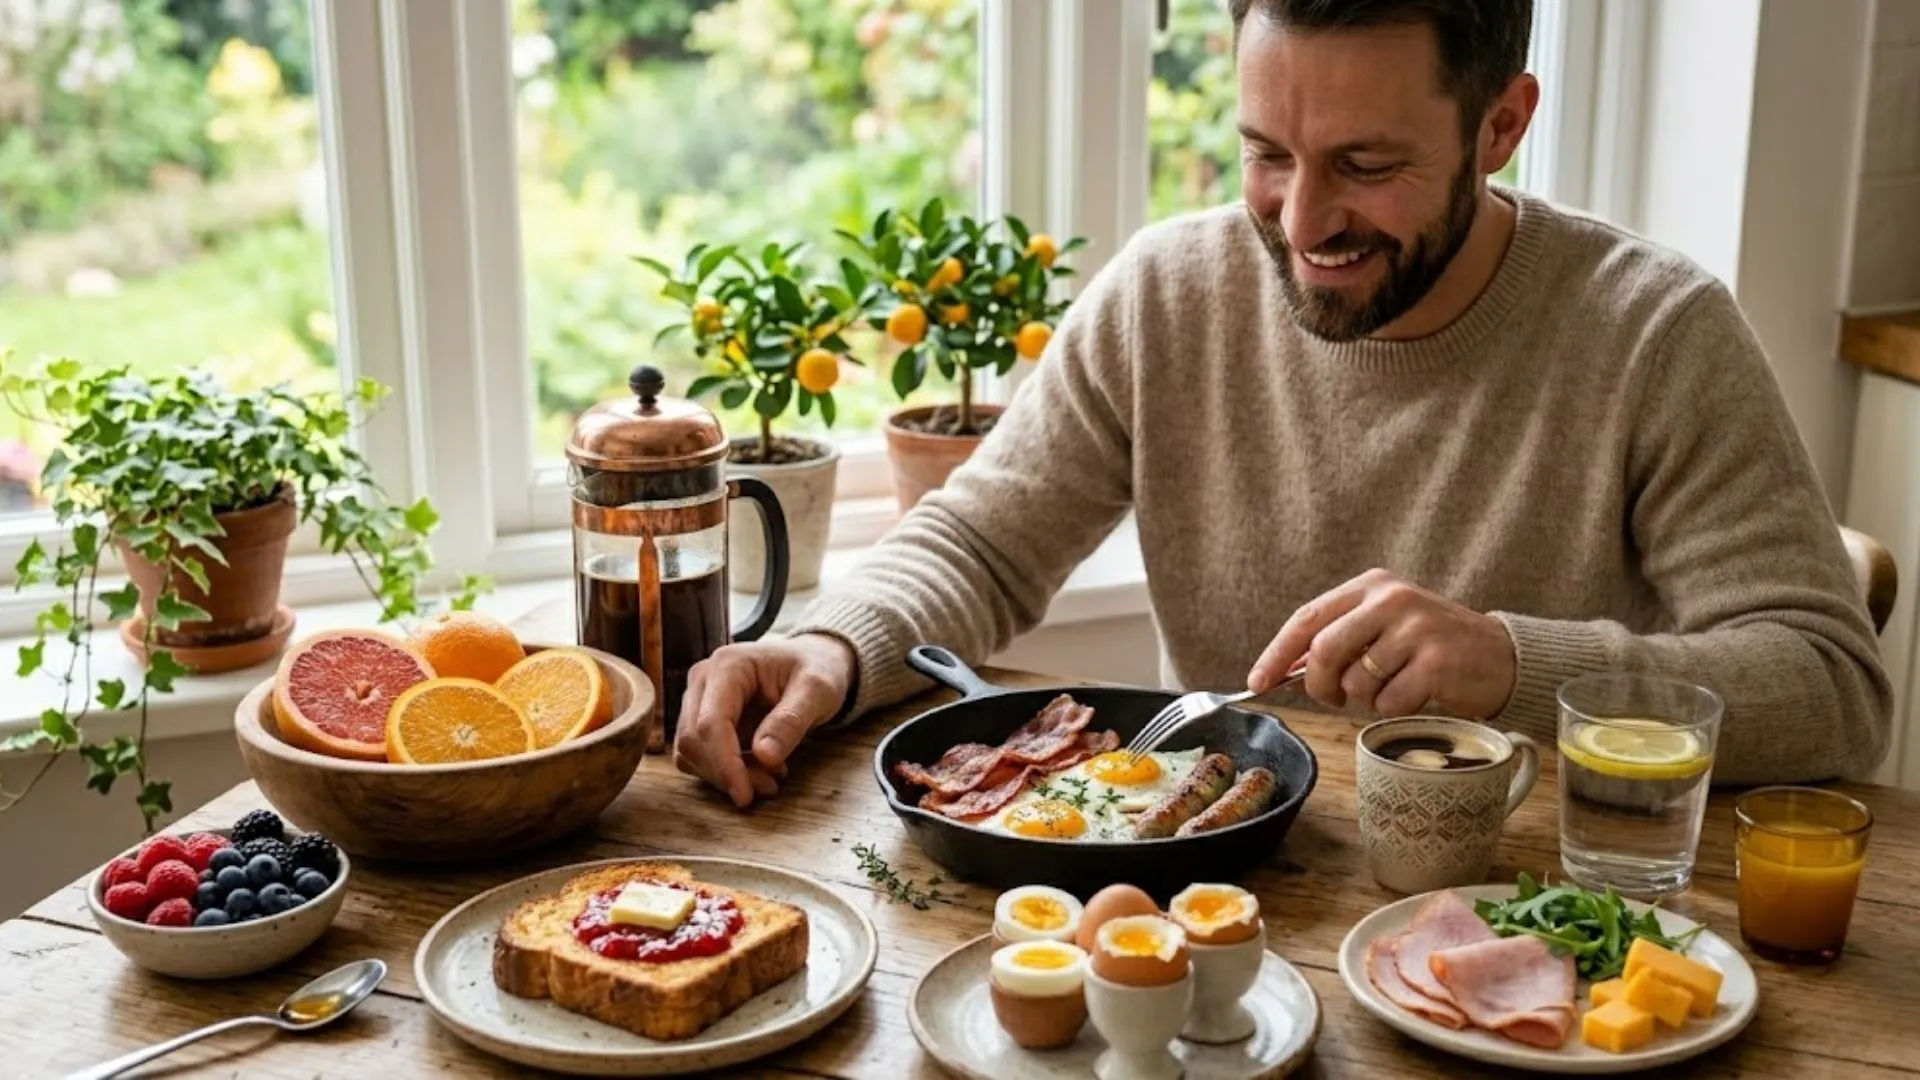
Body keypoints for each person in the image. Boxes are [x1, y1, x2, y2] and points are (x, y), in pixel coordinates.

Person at [672, 0, 1892, 808]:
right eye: (1266, 153)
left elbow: (1831, 692)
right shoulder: (1169, 291)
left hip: (1534, 922)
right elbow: (980, 543)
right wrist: (829, 646)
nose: (1302, 224)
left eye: (1366, 165)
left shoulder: (1654, 331)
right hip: (1213, 905)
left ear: (1500, 126)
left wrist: (1508, 663)